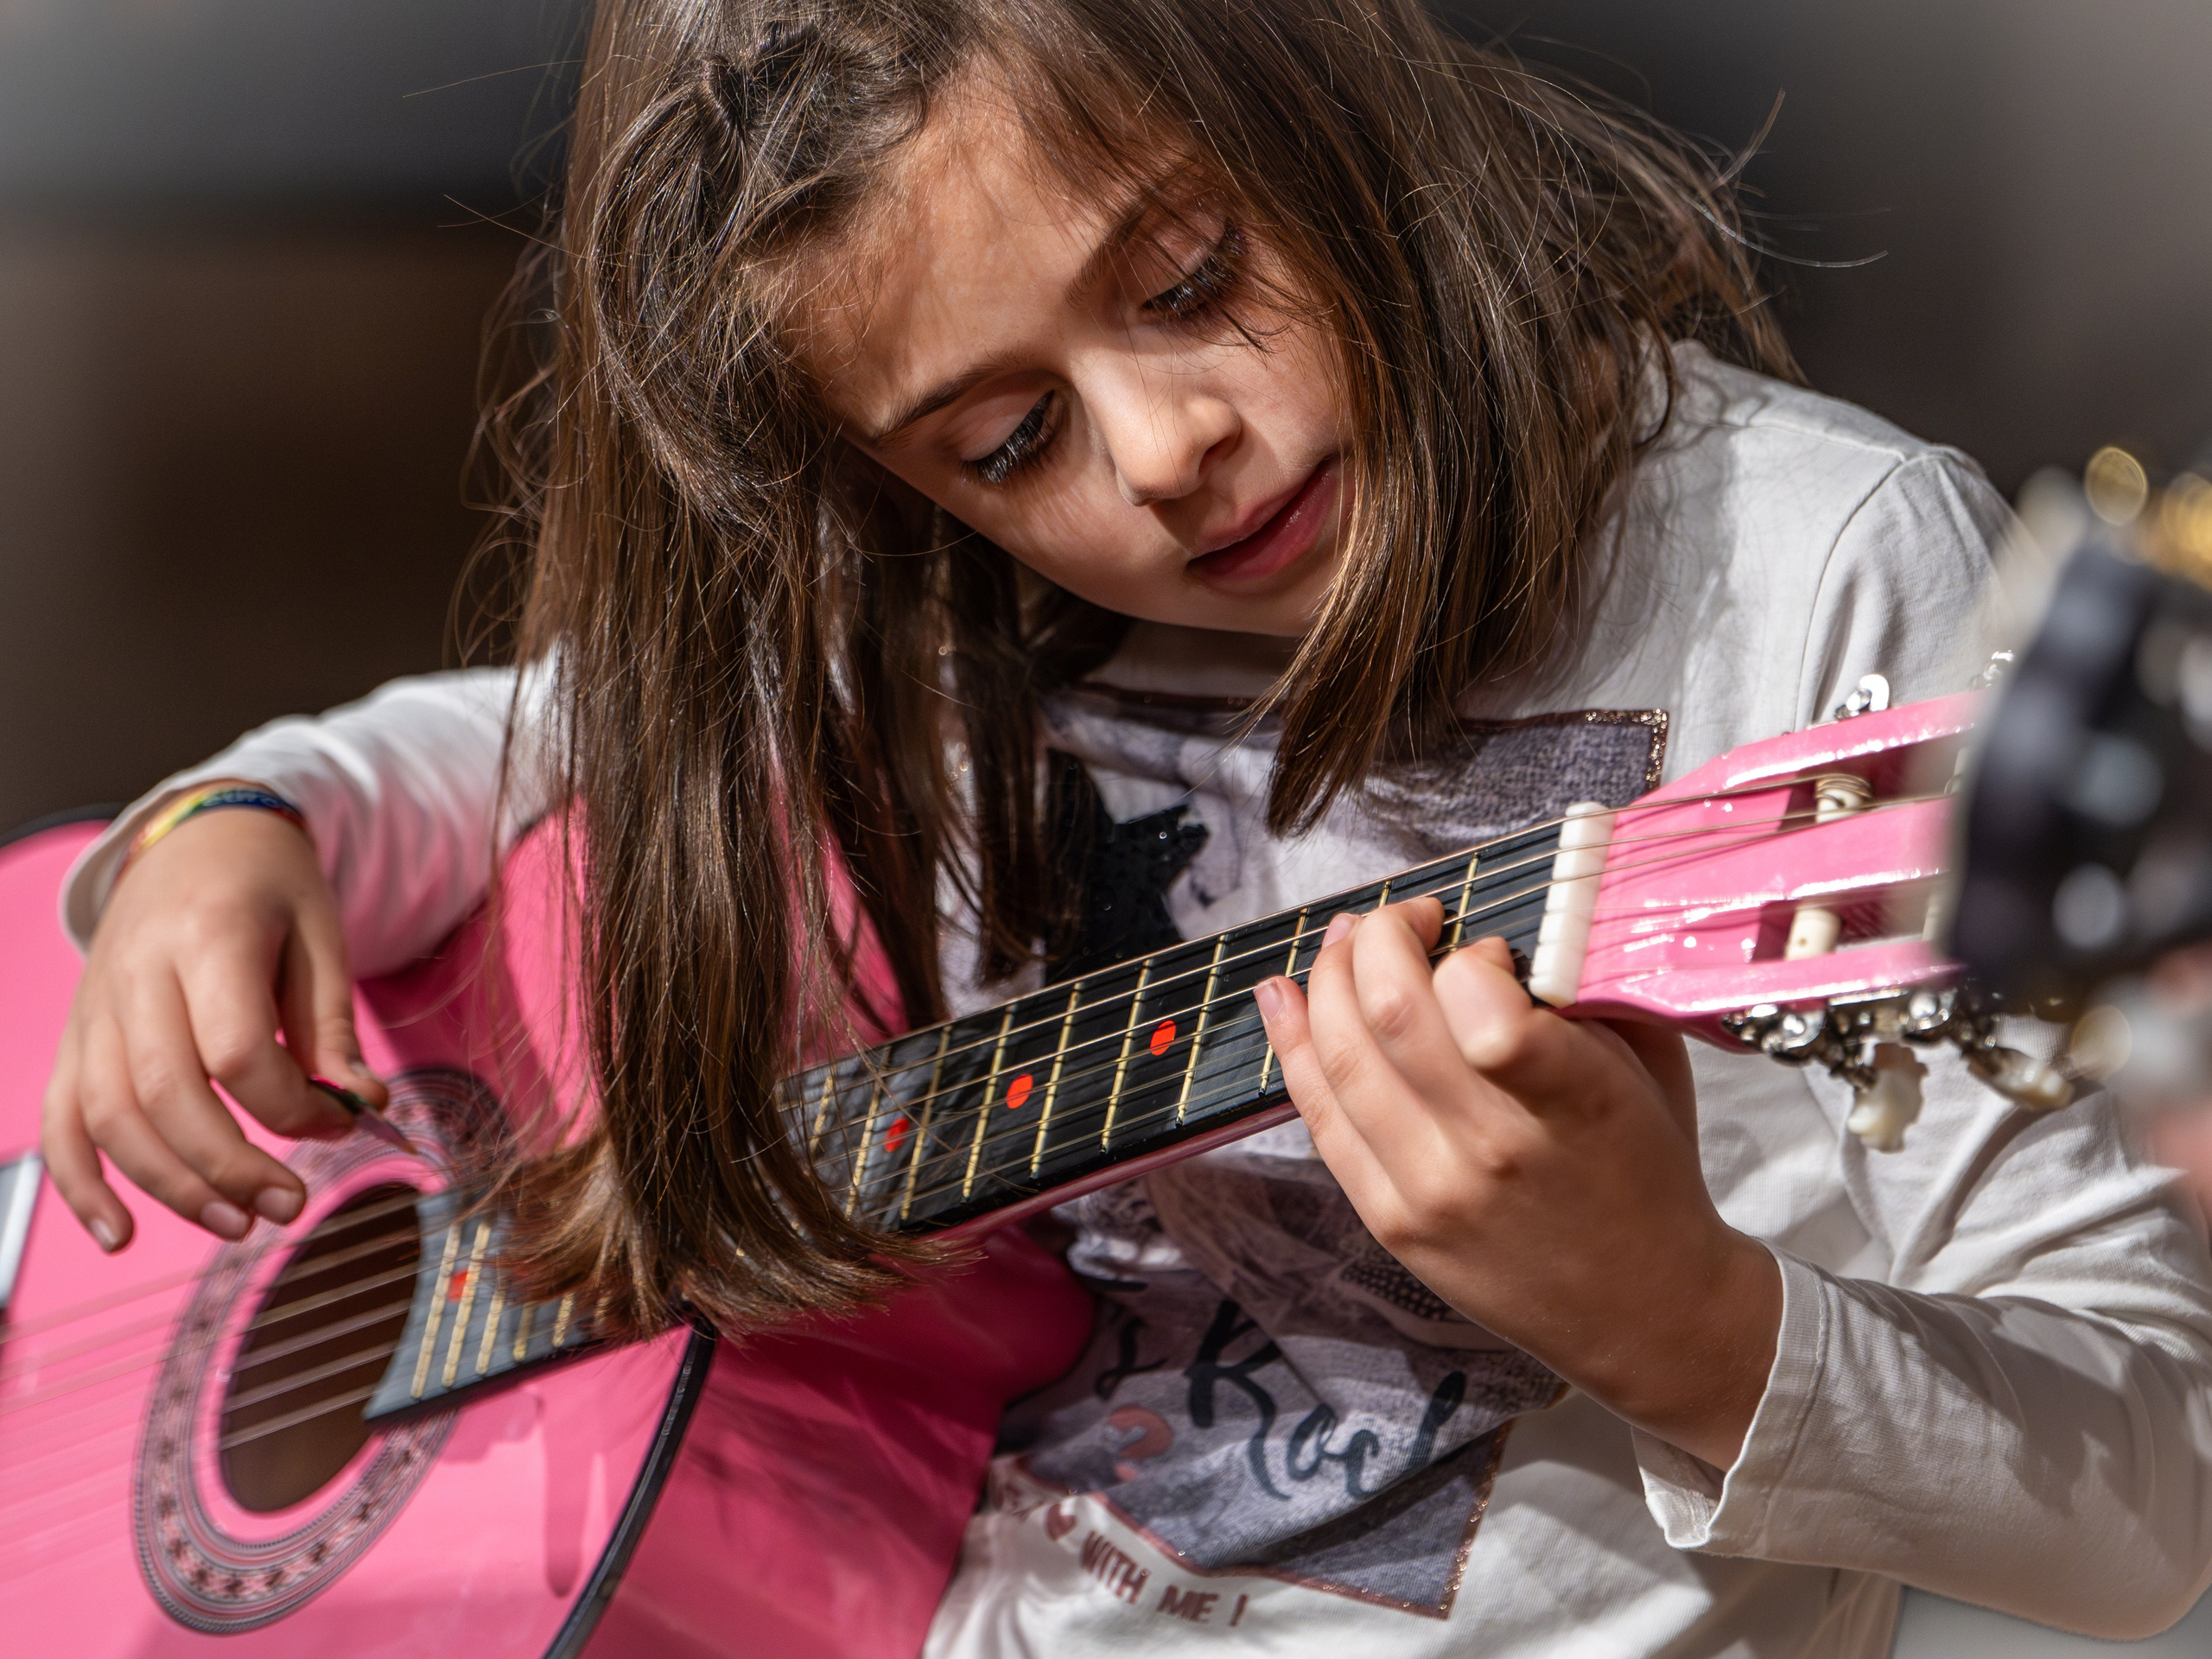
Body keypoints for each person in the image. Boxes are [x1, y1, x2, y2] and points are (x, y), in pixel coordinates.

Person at [37, 1, 2212, 1651]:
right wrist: (237, 821)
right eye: (1005, 440)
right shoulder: (939, 616)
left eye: (1181, 281)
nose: (1164, 453)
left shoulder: (1816, 568)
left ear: (1319, 84)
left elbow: (2155, 1500)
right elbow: (538, 740)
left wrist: (1682, 1318)